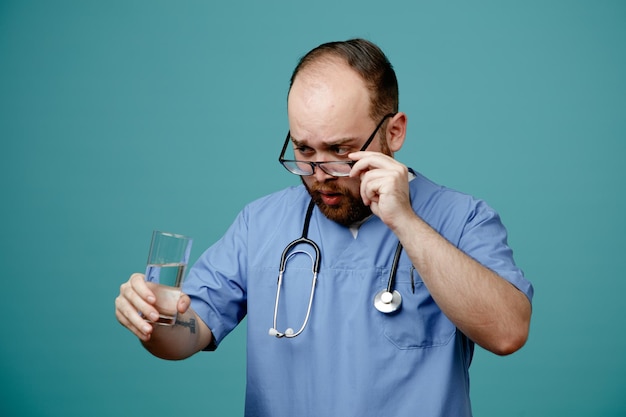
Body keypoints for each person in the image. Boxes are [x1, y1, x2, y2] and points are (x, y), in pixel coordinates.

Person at [115, 38, 533, 416]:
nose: (319, 173)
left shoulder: (462, 218)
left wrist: (404, 221)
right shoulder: (259, 225)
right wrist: (156, 318)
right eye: (303, 150)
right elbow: (189, 333)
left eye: (340, 150)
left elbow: (508, 332)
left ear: (394, 131)